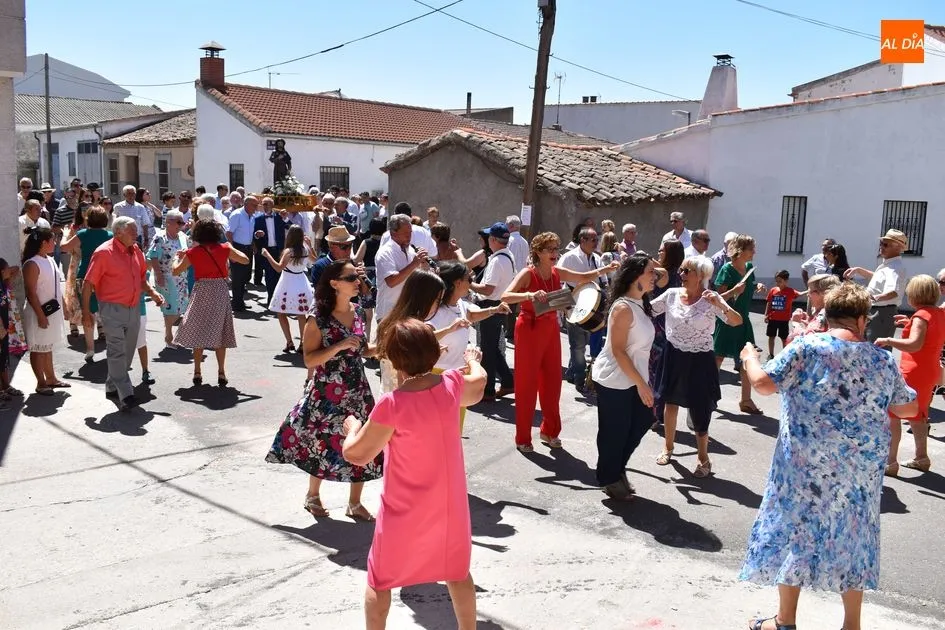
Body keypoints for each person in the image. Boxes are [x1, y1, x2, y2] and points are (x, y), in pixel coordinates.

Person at [739, 283, 917, 630]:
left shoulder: (806, 347)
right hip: (858, 473)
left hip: (803, 467)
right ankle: (851, 624)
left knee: (796, 530)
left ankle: (785, 620)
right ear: (862, 320)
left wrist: (749, 357)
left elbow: (762, 384)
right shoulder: (881, 360)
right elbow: (907, 408)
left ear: (828, 314)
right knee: (854, 537)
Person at [342, 318, 486, 630]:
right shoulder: (451, 385)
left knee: (380, 579)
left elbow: (357, 454)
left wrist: (353, 429)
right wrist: (473, 360)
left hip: (403, 510)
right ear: (435, 352)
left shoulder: (392, 404)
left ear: (394, 360)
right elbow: (478, 383)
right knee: (457, 572)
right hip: (448, 507)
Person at [266, 260, 382, 522]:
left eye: (357, 277)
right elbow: (309, 359)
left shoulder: (358, 310)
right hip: (327, 391)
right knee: (321, 441)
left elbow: (362, 350)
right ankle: (313, 496)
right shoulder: (317, 317)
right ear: (334, 283)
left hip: (357, 389)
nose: (357, 282)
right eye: (351, 278)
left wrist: (386, 348)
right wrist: (338, 346)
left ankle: (355, 503)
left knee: (362, 443)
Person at [503, 232, 617, 452]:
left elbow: (583, 277)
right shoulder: (528, 273)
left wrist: (605, 269)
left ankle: (549, 431)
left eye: (557, 248)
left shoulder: (556, 272)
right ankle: (523, 437)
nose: (555, 253)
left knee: (553, 383)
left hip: (550, 329)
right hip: (529, 329)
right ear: (538, 252)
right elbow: (505, 296)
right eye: (550, 249)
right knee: (527, 385)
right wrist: (528, 296)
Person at [651, 255, 743, 476]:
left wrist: (720, 304)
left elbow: (736, 321)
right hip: (673, 355)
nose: (681, 274)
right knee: (670, 403)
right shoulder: (672, 294)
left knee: (699, 408)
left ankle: (703, 458)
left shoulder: (711, 299)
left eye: (686, 271)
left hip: (700, 359)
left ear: (701, 275)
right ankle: (668, 448)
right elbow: (647, 310)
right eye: (681, 270)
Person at [590, 253, 657, 500]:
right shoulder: (623, 308)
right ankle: (609, 477)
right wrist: (641, 384)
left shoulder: (641, 303)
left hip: (634, 377)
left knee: (641, 421)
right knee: (615, 432)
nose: (655, 277)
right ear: (635, 276)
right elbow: (618, 351)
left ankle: (617, 468)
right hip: (615, 378)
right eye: (650, 272)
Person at [82, 217, 165, 410]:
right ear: (118, 232)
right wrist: (86, 313)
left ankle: (112, 385)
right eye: (132, 231)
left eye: (136, 230)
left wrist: (153, 293)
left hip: (133, 307)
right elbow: (88, 284)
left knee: (127, 350)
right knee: (117, 350)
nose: (136, 234)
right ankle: (126, 394)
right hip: (111, 309)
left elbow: (142, 279)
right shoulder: (103, 253)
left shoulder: (136, 251)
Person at [877, 275, 945, 475]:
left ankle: (890, 462)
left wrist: (889, 340)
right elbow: (931, 335)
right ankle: (921, 457)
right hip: (930, 370)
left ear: (915, 294)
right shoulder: (938, 313)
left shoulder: (921, 316)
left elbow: (915, 345)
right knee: (919, 414)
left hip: (913, 371)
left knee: (893, 414)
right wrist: (910, 323)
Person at [429, 261, 509, 432]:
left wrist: (494, 310)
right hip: (437, 375)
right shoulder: (435, 311)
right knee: (438, 430)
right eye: (469, 279)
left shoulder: (460, 304)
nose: (472, 283)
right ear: (458, 283)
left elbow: (472, 314)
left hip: (458, 375)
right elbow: (423, 337)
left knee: (455, 429)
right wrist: (449, 329)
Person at [171, 219, 248, 386]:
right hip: (219, 291)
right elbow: (245, 260)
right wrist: (230, 247)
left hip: (201, 291)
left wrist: (177, 258)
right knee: (221, 331)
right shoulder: (225, 249)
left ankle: (197, 371)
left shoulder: (193, 252)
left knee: (198, 330)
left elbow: (175, 271)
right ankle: (221, 372)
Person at [713, 234, 767, 414]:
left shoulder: (749, 268)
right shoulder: (726, 269)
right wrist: (734, 291)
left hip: (743, 320)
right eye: (751, 249)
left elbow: (749, 286)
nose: (754, 252)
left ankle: (746, 400)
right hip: (727, 320)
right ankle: (707, 396)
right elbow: (718, 298)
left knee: (747, 358)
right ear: (740, 250)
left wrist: (757, 286)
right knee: (717, 359)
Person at [375, 270, 445, 394]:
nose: (438, 306)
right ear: (424, 299)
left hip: (391, 394)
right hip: (405, 397)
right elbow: (404, 376)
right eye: (437, 300)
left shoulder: (394, 321)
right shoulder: (407, 330)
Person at [471, 222, 517, 400]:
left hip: (491, 305)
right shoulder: (507, 255)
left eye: (489, 237)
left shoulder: (498, 260)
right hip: (499, 304)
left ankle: (488, 391)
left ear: (493, 240)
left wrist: (470, 284)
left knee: (487, 350)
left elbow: (488, 289)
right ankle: (507, 382)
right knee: (492, 348)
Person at [556, 226, 605, 394]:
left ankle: (572, 373)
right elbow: (558, 279)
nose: (596, 243)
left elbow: (603, 281)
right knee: (578, 346)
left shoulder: (597, 258)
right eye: (593, 240)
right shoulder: (570, 257)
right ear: (582, 240)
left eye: (597, 240)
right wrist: (562, 305)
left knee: (583, 343)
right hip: (573, 305)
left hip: (592, 307)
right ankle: (580, 379)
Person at [61, 206, 112, 360]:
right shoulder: (110, 235)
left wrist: (65, 234)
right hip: (105, 277)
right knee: (107, 311)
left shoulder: (82, 234)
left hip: (85, 275)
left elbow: (64, 247)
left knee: (87, 311)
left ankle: (90, 349)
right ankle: (111, 346)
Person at [21, 226, 67, 395]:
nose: (55, 243)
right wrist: (40, 315)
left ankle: (51, 378)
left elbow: (55, 286)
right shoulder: (32, 264)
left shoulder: (50, 260)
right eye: (52, 240)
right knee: (38, 348)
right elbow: (31, 293)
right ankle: (41, 383)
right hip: (38, 313)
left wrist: (64, 306)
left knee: (47, 347)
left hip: (52, 311)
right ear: (43, 243)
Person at [844, 229, 906, 343]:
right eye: (881, 243)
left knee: (875, 347)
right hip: (878, 311)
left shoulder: (895, 267)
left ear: (898, 248)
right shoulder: (889, 265)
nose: (881, 247)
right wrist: (859, 270)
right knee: (870, 346)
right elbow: (878, 278)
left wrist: (871, 297)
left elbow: (894, 292)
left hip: (881, 313)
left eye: (885, 244)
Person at [261, 225, 317, 352]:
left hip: (287, 282)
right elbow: (315, 261)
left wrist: (267, 255)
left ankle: (289, 341)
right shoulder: (305, 249)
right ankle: (302, 343)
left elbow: (278, 268)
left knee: (281, 313)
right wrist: (310, 246)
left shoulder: (288, 251)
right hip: (301, 282)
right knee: (301, 314)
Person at [649, 239, 684, 424]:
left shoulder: (663, 273)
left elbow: (652, 267)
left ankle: (655, 414)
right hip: (672, 325)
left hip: (659, 326)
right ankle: (659, 412)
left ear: (669, 253)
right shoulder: (681, 274)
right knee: (664, 371)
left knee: (655, 370)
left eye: (661, 250)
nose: (658, 252)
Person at [374, 214, 431, 323]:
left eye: (410, 232)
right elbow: (392, 281)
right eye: (405, 233)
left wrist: (425, 265)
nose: (409, 236)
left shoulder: (411, 251)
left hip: (408, 311)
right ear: (393, 233)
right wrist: (414, 263)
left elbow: (417, 276)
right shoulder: (385, 253)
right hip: (389, 313)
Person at [146, 209, 191, 347]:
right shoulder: (160, 237)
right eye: (178, 222)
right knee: (171, 308)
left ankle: (170, 336)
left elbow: (191, 249)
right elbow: (153, 256)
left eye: (182, 222)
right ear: (168, 222)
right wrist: (158, 275)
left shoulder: (182, 236)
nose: (181, 225)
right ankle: (169, 337)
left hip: (181, 277)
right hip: (167, 278)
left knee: (180, 307)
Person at [353, 218, 386, 345]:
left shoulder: (366, 242)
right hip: (381, 276)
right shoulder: (385, 243)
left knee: (367, 313)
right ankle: (379, 340)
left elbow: (356, 259)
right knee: (380, 311)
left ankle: (366, 340)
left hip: (367, 278)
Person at [253, 197, 288, 305]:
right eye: (263, 204)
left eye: (267, 204)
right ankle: (271, 300)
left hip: (279, 250)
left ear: (272, 205)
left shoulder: (279, 217)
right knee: (269, 276)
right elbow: (254, 235)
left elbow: (291, 226)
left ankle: (279, 300)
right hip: (267, 251)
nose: (265, 206)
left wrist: (286, 218)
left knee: (279, 276)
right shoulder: (258, 219)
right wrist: (257, 235)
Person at [225, 194, 258, 312]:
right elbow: (229, 233)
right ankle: (236, 303)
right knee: (237, 277)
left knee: (244, 276)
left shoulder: (252, 217)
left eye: (256, 205)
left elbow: (249, 233)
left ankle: (240, 301)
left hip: (247, 248)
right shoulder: (237, 215)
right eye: (254, 205)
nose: (256, 207)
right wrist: (232, 253)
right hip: (237, 247)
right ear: (246, 204)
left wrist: (253, 245)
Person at [786, 274, 840, 344]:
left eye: (810, 291)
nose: (808, 294)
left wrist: (796, 323)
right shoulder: (832, 310)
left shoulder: (824, 313)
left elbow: (808, 341)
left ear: (823, 293)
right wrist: (810, 323)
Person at [764, 270, 801, 360]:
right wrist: (766, 314)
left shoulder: (790, 291)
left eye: (780, 281)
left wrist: (810, 291)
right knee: (771, 336)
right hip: (772, 318)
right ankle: (771, 355)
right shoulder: (773, 290)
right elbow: (769, 302)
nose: (777, 283)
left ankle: (785, 355)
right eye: (776, 281)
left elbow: (799, 294)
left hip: (784, 320)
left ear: (786, 281)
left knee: (784, 338)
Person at [113, 185, 152, 249]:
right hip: (122, 238)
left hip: (137, 238)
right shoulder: (118, 207)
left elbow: (145, 224)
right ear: (124, 195)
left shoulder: (141, 207)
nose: (131, 195)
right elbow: (114, 224)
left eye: (133, 193)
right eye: (129, 193)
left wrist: (146, 239)